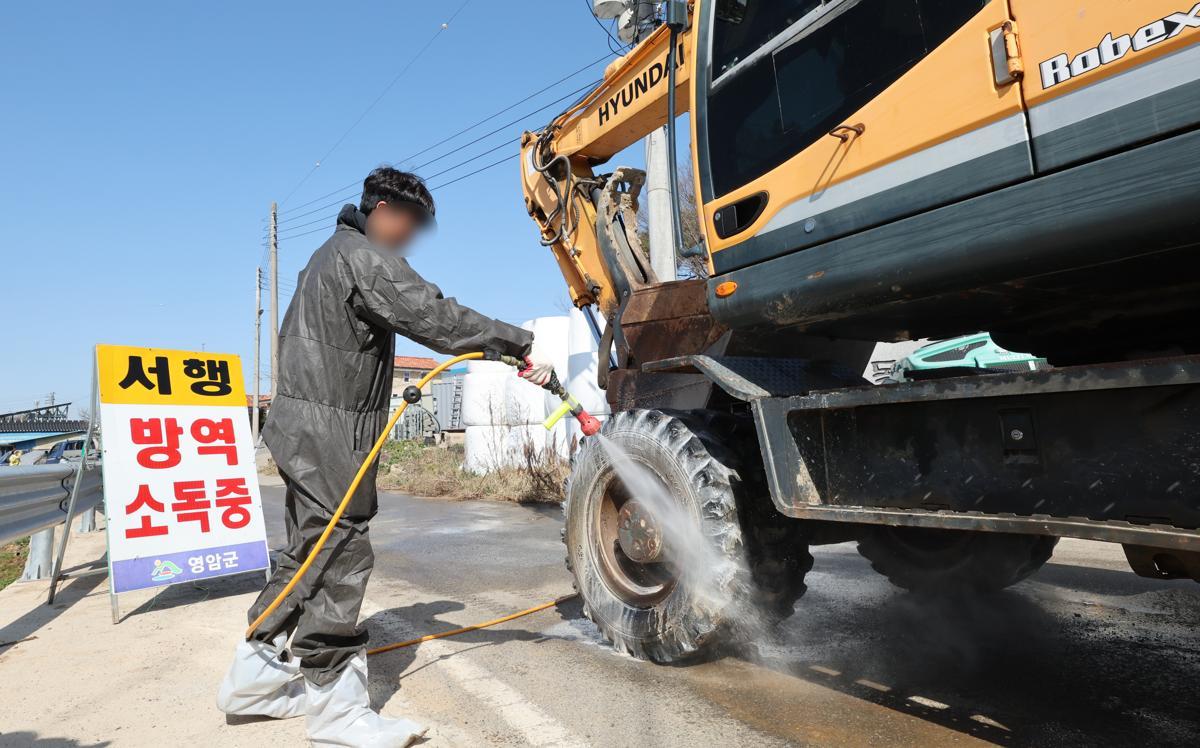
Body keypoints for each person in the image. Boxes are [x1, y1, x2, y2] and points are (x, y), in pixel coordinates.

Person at [217, 167, 553, 747]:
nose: (411, 237)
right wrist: (516, 343)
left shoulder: (330, 255)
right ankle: (337, 712)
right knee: (342, 551)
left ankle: (255, 680)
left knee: (308, 553)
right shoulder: (361, 256)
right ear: (382, 211)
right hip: (328, 432)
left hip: (303, 427)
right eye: (410, 223)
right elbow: (431, 312)